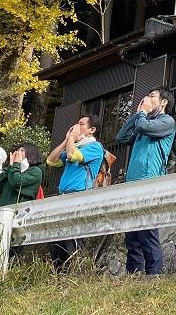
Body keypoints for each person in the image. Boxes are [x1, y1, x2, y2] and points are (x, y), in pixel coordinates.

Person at [115, 87, 176, 275]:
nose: (147, 99)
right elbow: (121, 137)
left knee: (147, 230)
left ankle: (154, 273)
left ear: (163, 102)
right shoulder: (143, 123)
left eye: (152, 96)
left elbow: (144, 127)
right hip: (133, 181)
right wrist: (137, 115)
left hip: (150, 181)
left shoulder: (167, 121)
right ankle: (133, 272)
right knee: (131, 232)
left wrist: (142, 114)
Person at [46, 115, 105, 269]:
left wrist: (72, 139)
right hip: (63, 197)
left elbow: (72, 156)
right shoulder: (74, 145)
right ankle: (59, 273)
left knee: (73, 238)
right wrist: (67, 140)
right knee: (56, 238)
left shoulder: (95, 147)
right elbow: (51, 160)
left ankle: (75, 272)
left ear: (92, 130)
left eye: (81, 124)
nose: (77, 126)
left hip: (79, 197)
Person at [0, 142, 44, 206]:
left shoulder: (36, 171)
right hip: (2, 210)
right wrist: (10, 166)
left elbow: (17, 182)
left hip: (19, 211)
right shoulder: (13, 170)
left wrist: (16, 164)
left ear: (31, 153)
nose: (18, 153)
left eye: (22, 150)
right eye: (17, 150)